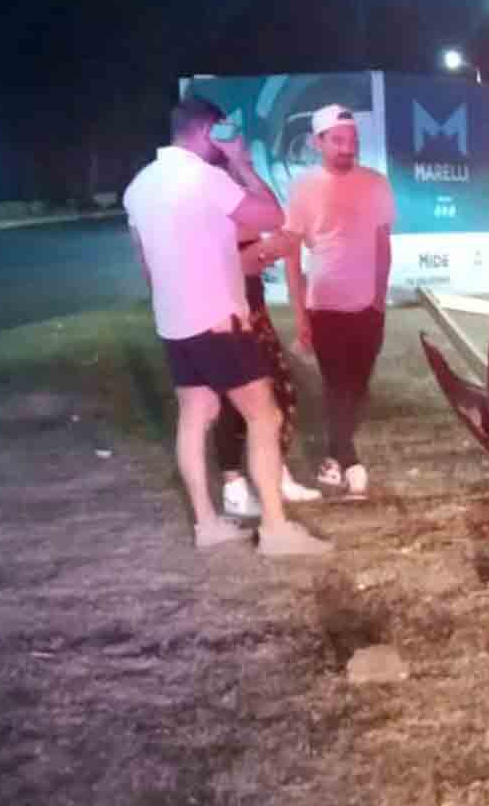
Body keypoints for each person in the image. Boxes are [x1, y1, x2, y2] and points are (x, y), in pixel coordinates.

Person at [122, 98, 332, 556]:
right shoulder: (206, 177)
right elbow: (273, 216)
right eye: (223, 132)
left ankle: (207, 524)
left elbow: (146, 265)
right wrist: (240, 162)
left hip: (174, 323)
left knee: (194, 417)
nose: (226, 141)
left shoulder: (138, 187)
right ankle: (276, 530)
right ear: (208, 131)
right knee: (265, 415)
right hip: (219, 318)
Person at [282, 104, 395, 499]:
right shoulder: (303, 187)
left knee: (359, 387)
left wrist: (380, 298)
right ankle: (345, 460)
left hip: (369, 306)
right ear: (318, 143)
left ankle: (338, 456)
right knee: (336, 385)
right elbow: (292, 254)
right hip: (325, 304)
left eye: (353, 141)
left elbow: (383, 244)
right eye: (338, 140)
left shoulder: (376, 183)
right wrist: (300, 315)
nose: (348, 148)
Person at [215, 221, 320, 518]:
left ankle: (273, 474)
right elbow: (268, 212)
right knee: (232, 401)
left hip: (249, 312)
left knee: (278, 395)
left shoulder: (225, 204)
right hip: (227, 316)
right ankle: (236, 487)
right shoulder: (210, 212)